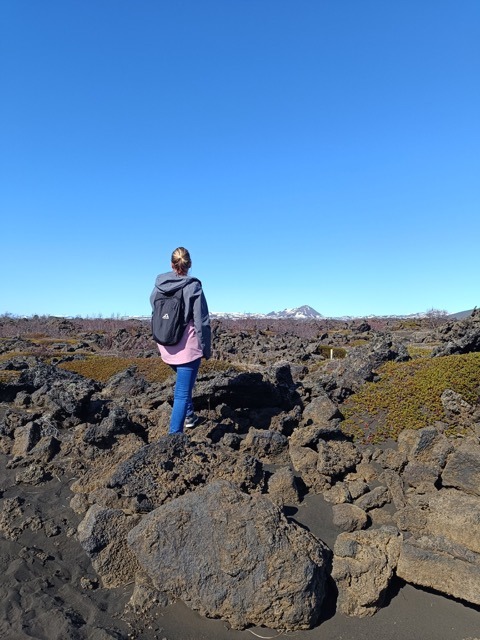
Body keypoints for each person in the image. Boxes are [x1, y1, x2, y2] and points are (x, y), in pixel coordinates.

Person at [150, 247, 211, 434]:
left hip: (165, 345)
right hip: (187, 348)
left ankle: (190, 416)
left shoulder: (159, 285)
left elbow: (154, 309)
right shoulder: (193, 286)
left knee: (185, 386)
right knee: (182, 393)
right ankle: (174, 436)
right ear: (189, 265)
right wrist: (206, 348)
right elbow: (202, 321)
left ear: (171, 264)